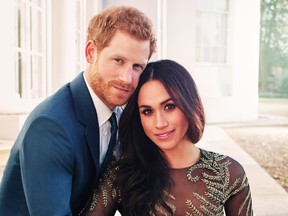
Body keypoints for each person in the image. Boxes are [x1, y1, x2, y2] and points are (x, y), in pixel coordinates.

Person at [0, 6, 156, 215]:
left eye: (137, 66)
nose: (127, 78)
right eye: (118, 60)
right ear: (91, 52)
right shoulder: (50, 126)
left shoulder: (118, 114)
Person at [81, 59, 254, 216]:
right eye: (147, 111)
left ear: (189, 104)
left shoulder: (228, 173)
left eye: (169, 106)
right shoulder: (122, 175)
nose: (160, 123)